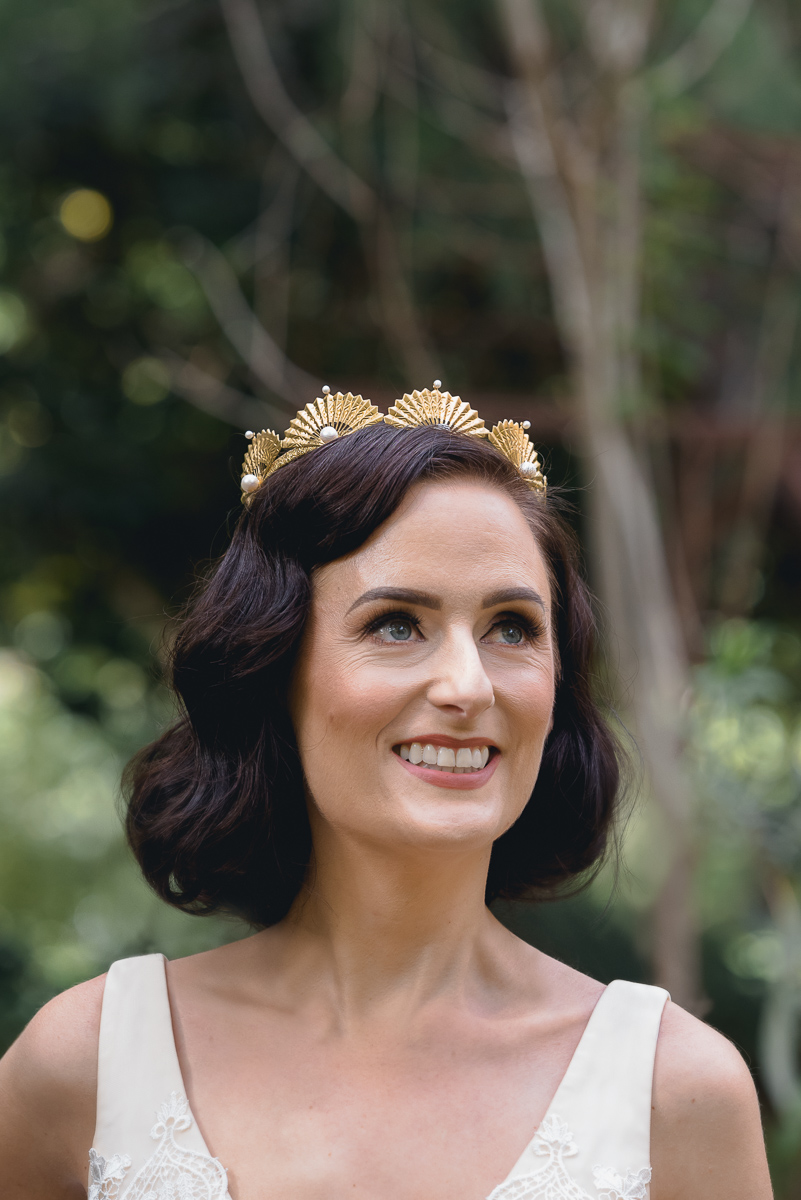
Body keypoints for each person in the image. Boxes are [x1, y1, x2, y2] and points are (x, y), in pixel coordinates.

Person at [0, 386, 772, 1200]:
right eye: (396, 624)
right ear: (272, 666)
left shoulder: (676, 1095)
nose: (467, 685)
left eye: (511, 627)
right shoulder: (86, 1065)